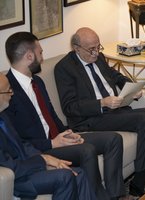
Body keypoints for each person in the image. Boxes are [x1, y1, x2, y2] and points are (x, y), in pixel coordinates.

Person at [4, 32, 126, 200]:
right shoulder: (7, 93)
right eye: (40, 53)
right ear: (29, 56)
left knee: (113, 139)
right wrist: (52, 143)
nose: (42, 58)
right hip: (42, 147)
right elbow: (17, 140)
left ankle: (114, 195)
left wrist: (68, 132)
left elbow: (51, 115)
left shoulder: (37, 82)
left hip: (59, 138)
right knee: (86, 151)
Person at [54, 27, 145, 196]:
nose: (96, 53)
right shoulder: (64, 68)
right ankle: (140, 179)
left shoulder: (99, 57)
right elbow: (70, 107)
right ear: (76, 48)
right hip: (93, 117)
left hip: (116, 109)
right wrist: (102, 103)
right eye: (91, 49)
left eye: (98, 47)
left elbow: (115, 76)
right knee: (144, 119)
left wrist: (132, 87)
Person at [0, 72, 96, 200]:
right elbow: (10, 167)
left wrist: (45, 158)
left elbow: (22, 144)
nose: (12, 94)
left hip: (26, 165)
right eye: (8, 91)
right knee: (65, 176)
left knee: (78, 173)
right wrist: (43, 161)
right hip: (16, 178)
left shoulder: (3, 115)